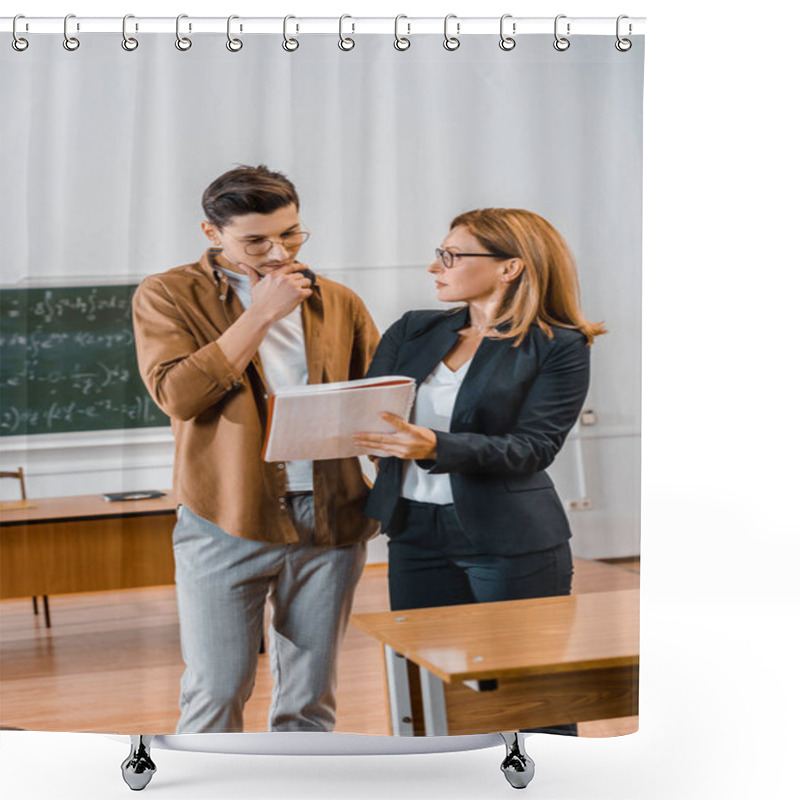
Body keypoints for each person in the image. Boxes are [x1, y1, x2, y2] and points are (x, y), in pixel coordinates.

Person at [132, 164, 380, 734]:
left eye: (291, 233)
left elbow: (375, 395)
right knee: (215, 692)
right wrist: (263, 312)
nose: (278, 251)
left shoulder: (338, 300)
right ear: (210, 232)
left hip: (330, 517)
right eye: (255, 240)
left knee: (310, 702)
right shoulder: (167, 294)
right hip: (225, 517)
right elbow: (179, 395)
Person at [353, 208, 606, 733]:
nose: (434, 266)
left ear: (509, 267)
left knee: (532, 695)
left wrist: (433, 446)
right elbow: (371, 411)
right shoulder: (412, 330)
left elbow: (533, 448)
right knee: (428, 692)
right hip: (415, 532)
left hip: (511, 539)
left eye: (451, 255)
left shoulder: (559, 344)